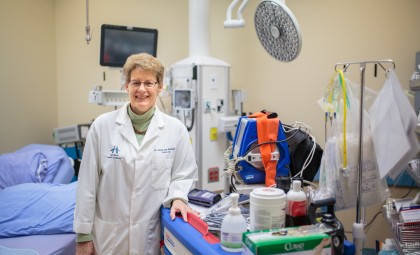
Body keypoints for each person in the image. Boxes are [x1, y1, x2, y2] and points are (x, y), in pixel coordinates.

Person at [73, 53, 198, 255]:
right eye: (136, 82)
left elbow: (184, 175)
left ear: (160, 87)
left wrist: (177, 197)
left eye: (149, 83)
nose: (142, 89)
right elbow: (87, 184)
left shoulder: (176, 130)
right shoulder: (102, 127)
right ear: (126, 86)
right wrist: (83, 236)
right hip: (109, 237)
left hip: (150, 236)